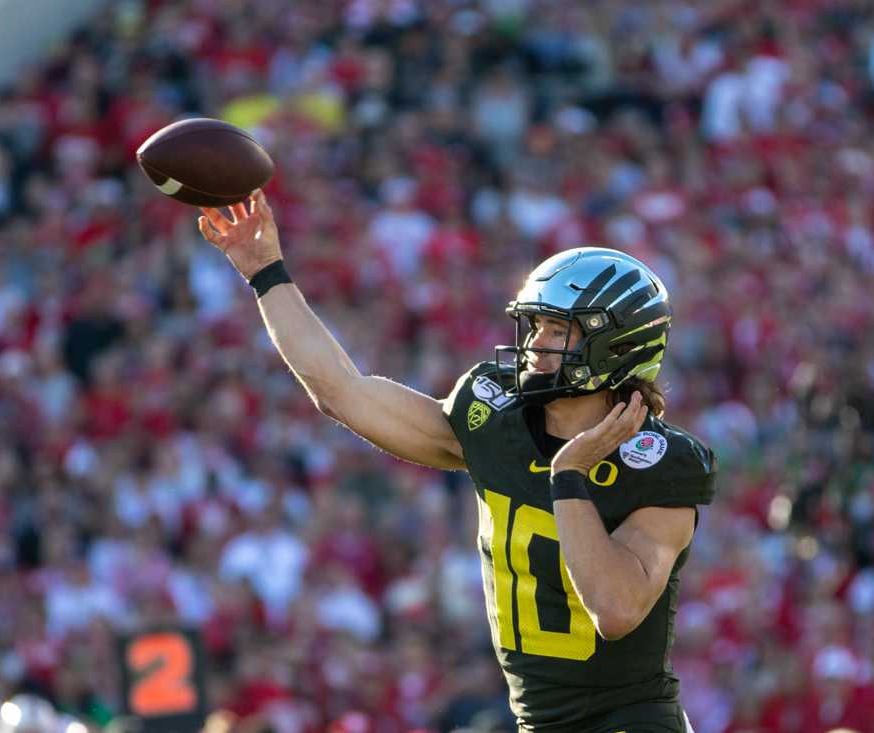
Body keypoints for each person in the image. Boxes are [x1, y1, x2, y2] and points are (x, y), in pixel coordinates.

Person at [197, 191, 717, 733]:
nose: (535, 344)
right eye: (535, 326)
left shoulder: (660, 463)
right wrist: (265, 273)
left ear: (616, 347)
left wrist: (568, 476)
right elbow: (342, 393)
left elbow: (616, 610)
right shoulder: (497, 419)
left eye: (558, 331)